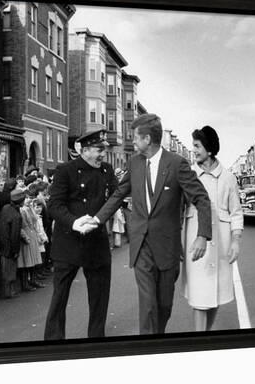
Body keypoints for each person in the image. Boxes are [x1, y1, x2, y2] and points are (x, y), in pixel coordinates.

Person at [92, 114, 212, 335]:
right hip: (141, 246)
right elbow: (119, 194)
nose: (133, 141)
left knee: (163, 305)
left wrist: (203, 235)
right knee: (147, 304)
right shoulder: (134, 163)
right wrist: (97, 219)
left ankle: (157, 337)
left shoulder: (177, 164)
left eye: (135, 137)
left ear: (147, 139)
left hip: (167, 248)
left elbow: (201, 199)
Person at [44, 128, 118, 340]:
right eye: (98, 150)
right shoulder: (66, 170)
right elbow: (54, 205)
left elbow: (116, 197)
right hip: (69, 242)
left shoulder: (107, 170)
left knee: (99, 298)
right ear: (84, 151)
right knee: (59, 298)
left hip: (96, 243)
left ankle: (96, 341)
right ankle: (53, 344)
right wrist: (74, 222)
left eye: (103, 150)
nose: (102, 154)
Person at [180, 126, 243, 331]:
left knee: (216, 295)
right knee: (199, 296)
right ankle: (200, 340)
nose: (194, 150)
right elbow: (176, 209)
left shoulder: (228, 178)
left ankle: (205, 334)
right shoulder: (189, 175)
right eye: (193, 146)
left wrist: (235, 241)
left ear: (209, 148)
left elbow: (236, 213)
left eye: (197, 146)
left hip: (222, 244)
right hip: (195, 243)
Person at [0, 188, 26, 298]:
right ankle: (8, 292)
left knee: (3, 269)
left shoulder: (5, 208)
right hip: (9, 247)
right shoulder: (16, 216)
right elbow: (15, 235)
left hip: (2, 243)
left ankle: (1, 291)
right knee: (10, 270)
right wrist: (15, 250)